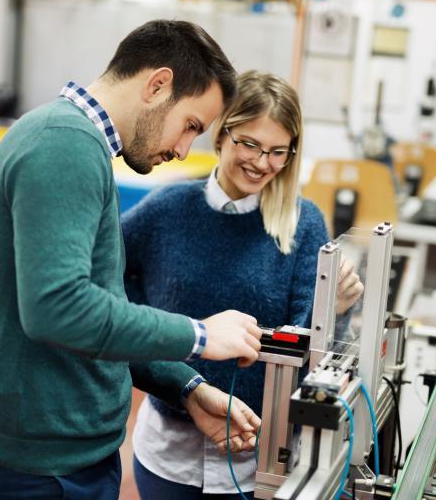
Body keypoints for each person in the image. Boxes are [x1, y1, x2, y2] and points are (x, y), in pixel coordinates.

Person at [0, 20, 265, 500]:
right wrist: (200, 335)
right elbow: (60, 309)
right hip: (42, 477)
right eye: (190, 126)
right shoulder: (64, 144)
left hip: (66, 464)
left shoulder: (72, 143)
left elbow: (104, 313)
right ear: (157, 85)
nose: (184, 151)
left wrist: (186, 386)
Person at [121, 70, 364, 499]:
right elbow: (107, 278)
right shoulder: (166, 209)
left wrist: (336, 311)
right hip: (168, 454)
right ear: (221, 135)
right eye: (249, 143)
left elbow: (307, 348)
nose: (261, 162)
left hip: (259, 459)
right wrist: (148, 331)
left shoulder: (302, 224)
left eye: (277, 151)